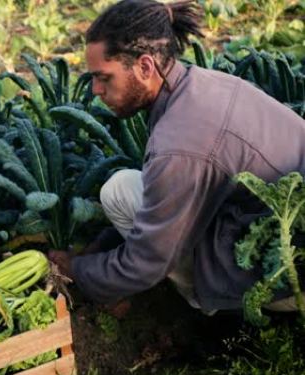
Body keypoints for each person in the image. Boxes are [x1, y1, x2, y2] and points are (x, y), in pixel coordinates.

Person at [48, 0, 305, 314]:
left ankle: (213, 314)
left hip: (287, 273)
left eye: (104, 77)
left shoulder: (180, 144)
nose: (96, 90)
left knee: (119, 192)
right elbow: (166, 204)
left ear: (145, 67)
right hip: (276, 231)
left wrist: (77, 273)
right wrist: (95, 250)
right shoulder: (200, 84)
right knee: (129, 189)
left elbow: (145, 263)